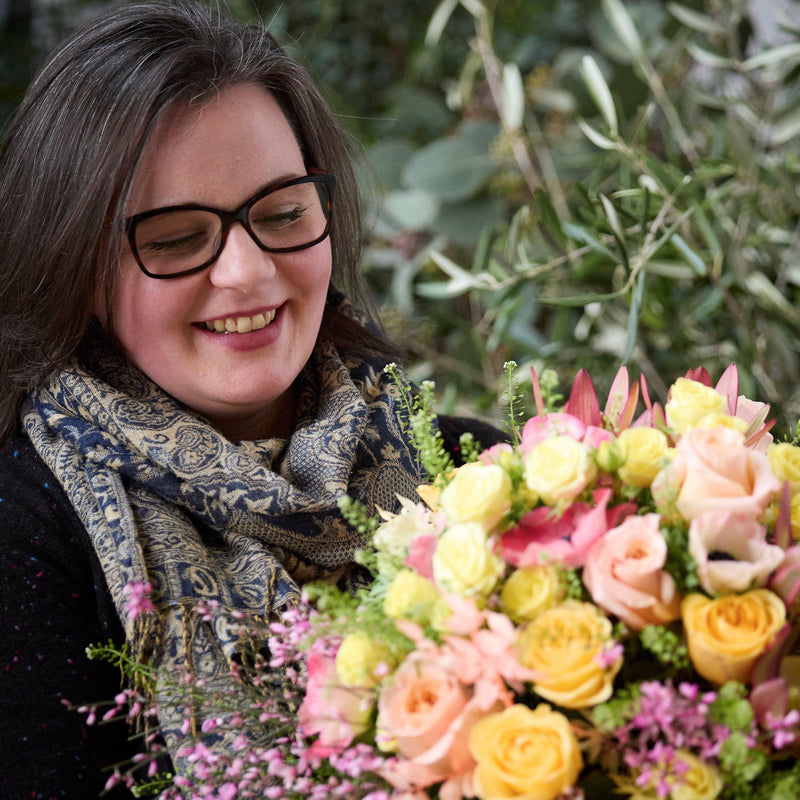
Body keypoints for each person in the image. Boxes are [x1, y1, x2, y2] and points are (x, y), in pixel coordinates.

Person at [0, 1, 503, 796]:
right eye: (173, 237)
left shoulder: (488, 478)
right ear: (73, 262)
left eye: (283, 213)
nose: (246, 271)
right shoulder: (27, 537)